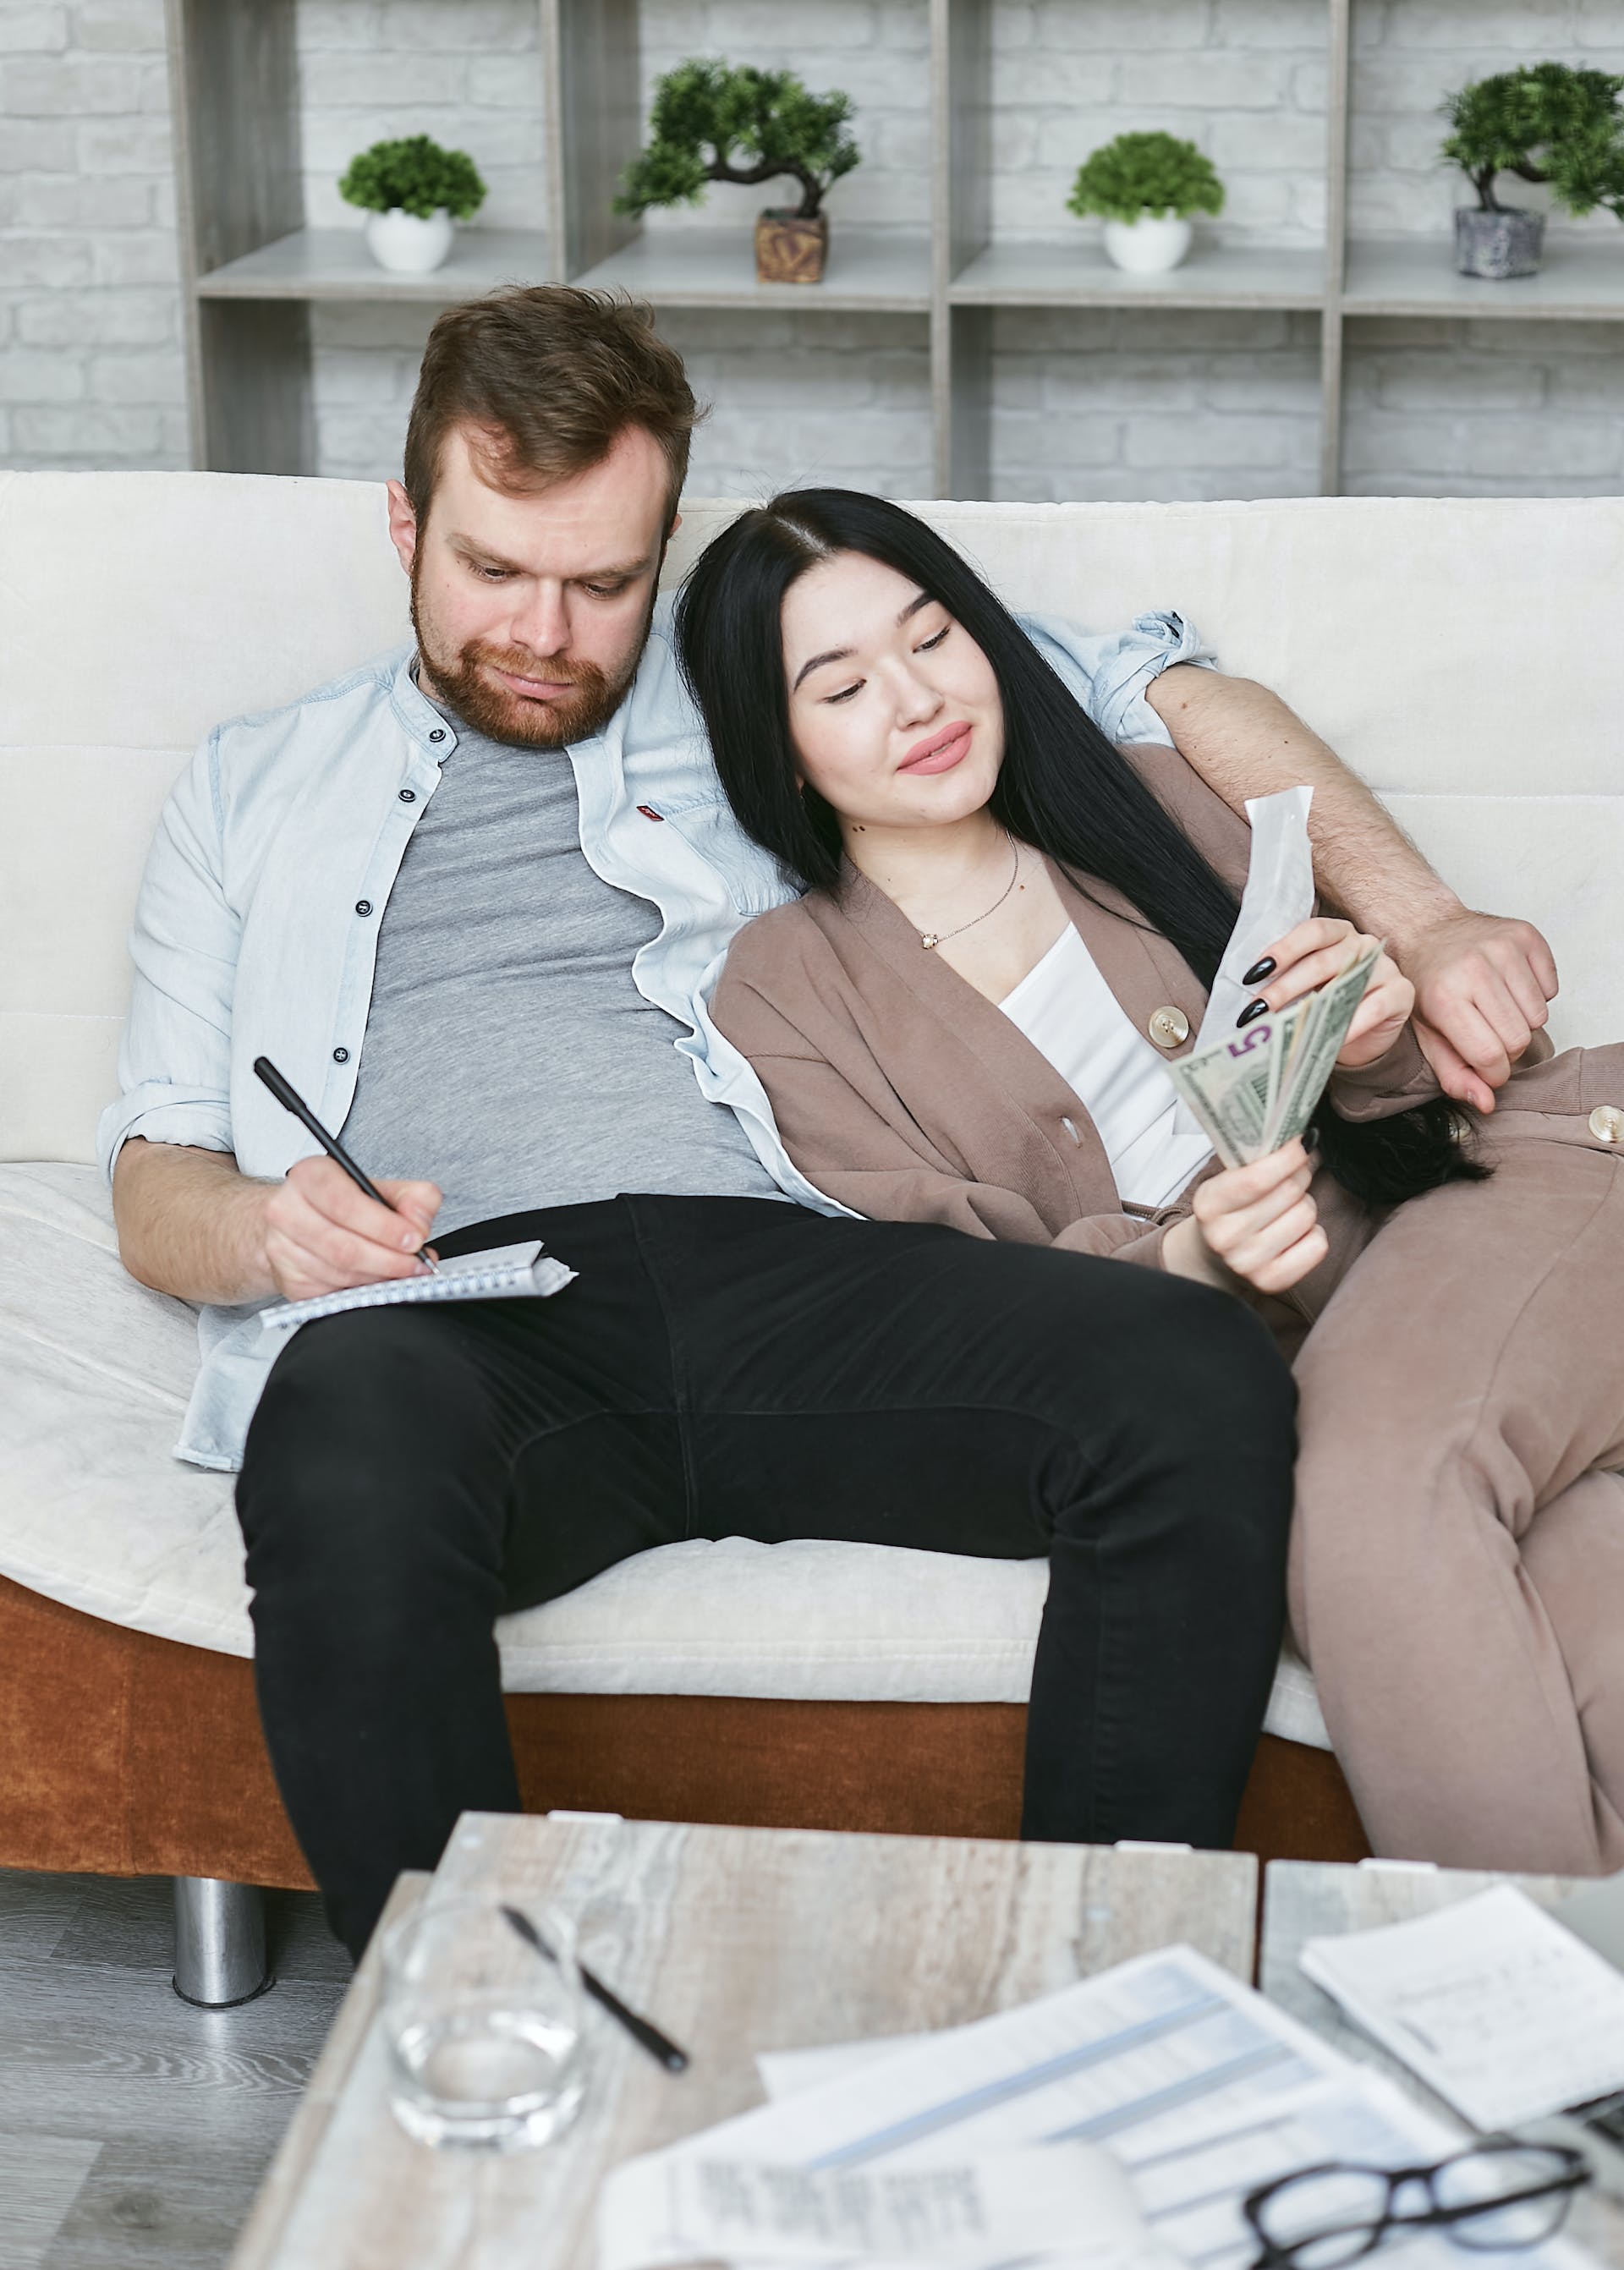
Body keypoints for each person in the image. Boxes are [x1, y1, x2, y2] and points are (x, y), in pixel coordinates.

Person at [101, 288, 1554, 1959]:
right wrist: (273, 1229)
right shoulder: (249, 784)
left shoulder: (761, 686)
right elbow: (155, 1179)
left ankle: (1095, 1992)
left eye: (604, 583)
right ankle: (477, 2037)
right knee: (335, 1421)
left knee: (1190, 1366)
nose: (548, 633)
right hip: (465, 1312)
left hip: (808, 1274)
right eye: (496, 571)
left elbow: (1150, 689)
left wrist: (1429, 923)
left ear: (664, 544)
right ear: (405, 521)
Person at [681, 485, 1624, 1880]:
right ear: (779, 746)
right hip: (1279, 1378)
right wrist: (1190, 1269)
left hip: (1503, 1198)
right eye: (842, 684)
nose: (917, 698)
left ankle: (1513, 2065)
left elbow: (1446, 1093)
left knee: (1356, 1499)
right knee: (1573, 1642)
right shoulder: (781, 994)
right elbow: (951, 1293)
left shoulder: (1148, 795)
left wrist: (1369, 1033)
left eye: (935, 638)